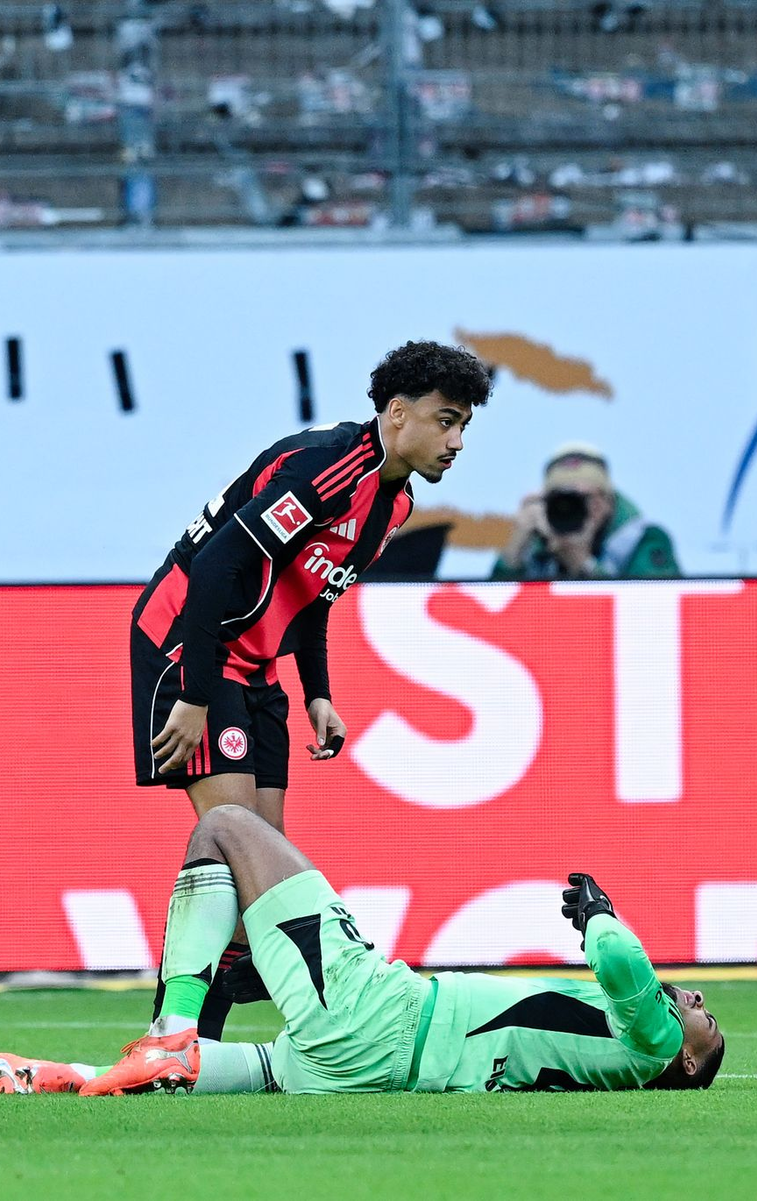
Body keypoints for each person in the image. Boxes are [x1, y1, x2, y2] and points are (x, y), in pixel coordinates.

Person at [131, 340, 491, 1041]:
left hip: (256, 665)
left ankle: (192, 1037)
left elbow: (317, 595)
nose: (456, 441)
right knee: (236, 849)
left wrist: (317, 690)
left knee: (264, 865)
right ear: (395, 415)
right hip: (189, 644)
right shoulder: (327, 468)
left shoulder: (392, 504)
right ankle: (171, 1036)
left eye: (464, 427)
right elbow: (211, 570)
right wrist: (196, 692)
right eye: (446, 421)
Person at [0, 807, 724, 1097]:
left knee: (226, 828)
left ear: (685, 1061)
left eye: (708, 1021)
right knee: (240, 1075)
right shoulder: (619, 1059)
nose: (694, 1001)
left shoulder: (650, 1043)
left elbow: (624, 961)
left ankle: (174, 1026)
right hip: (369, 1073)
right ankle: (65, 1079)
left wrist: (598, 915)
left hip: (384, 1016)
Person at [491, 443, 680, 581]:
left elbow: (652, 613)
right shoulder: (536, 541)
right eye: (560, 499)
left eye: (582, 499)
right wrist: (513, 553)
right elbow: (490, 619)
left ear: (607, 502)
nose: (569, 508)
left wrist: (582, 563)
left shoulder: (642, 539)